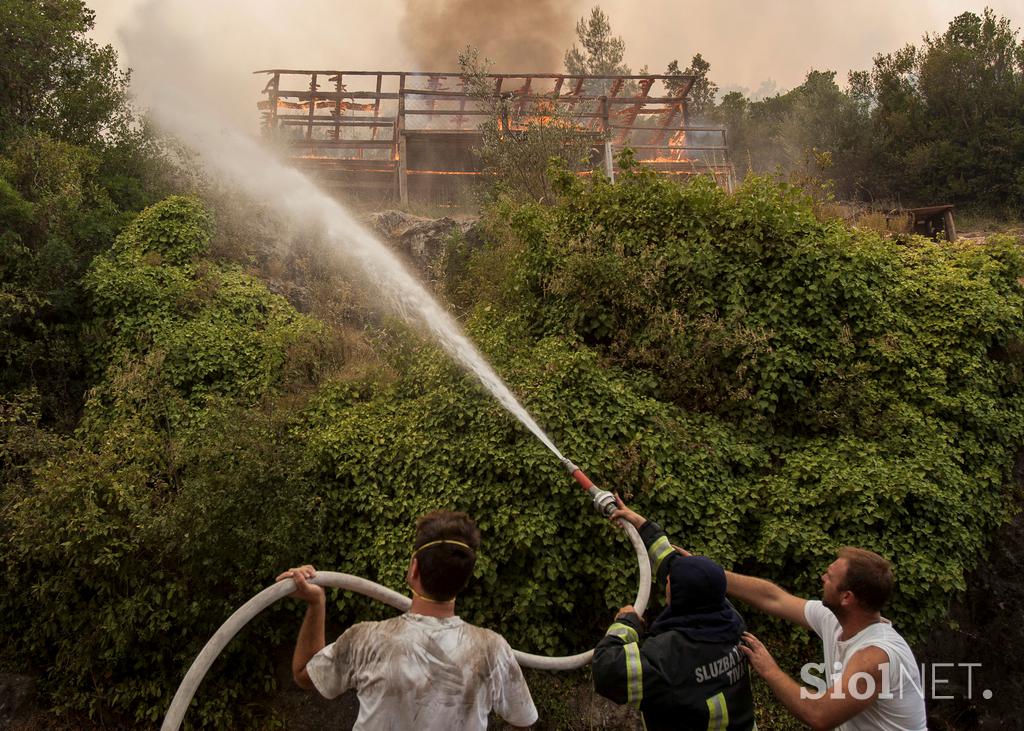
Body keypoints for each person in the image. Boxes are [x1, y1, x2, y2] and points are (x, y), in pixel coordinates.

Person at [277, 510, 538, 730]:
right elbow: (523, 718)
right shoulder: (492, 649)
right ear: (465, 580)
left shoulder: (366, 639)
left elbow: (304, 675)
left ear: (414, 569)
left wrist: (316, 603)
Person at [592, 497, 756, 730]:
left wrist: (627, 623)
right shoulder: (731, 621)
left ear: (681, 596)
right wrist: (639, 523)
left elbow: (606, 670)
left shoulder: (668, 658)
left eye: (670, 581)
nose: (666, 578)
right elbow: (679, 568)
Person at [729, 547, 928, 730]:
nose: (823, 577)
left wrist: (769, 670)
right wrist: (711, 574)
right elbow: (774, 599)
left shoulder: (874, 657)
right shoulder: (834, 620)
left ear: (847, 598)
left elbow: (818, 715)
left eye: (830, 577)